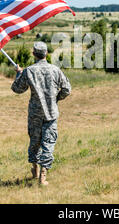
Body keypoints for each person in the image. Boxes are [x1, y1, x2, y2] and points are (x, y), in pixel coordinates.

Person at [11, 41, 71, 185]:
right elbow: (67, 89)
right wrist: (56, 99)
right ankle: (43, 177)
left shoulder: (29, 71)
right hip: (51, 113)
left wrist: (19, 74)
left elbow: (17, 89)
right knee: (48, 143)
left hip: (35, 115)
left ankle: (35, 171)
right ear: (46, 54)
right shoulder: (55, 70)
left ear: (34, 54)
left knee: (35, 142)